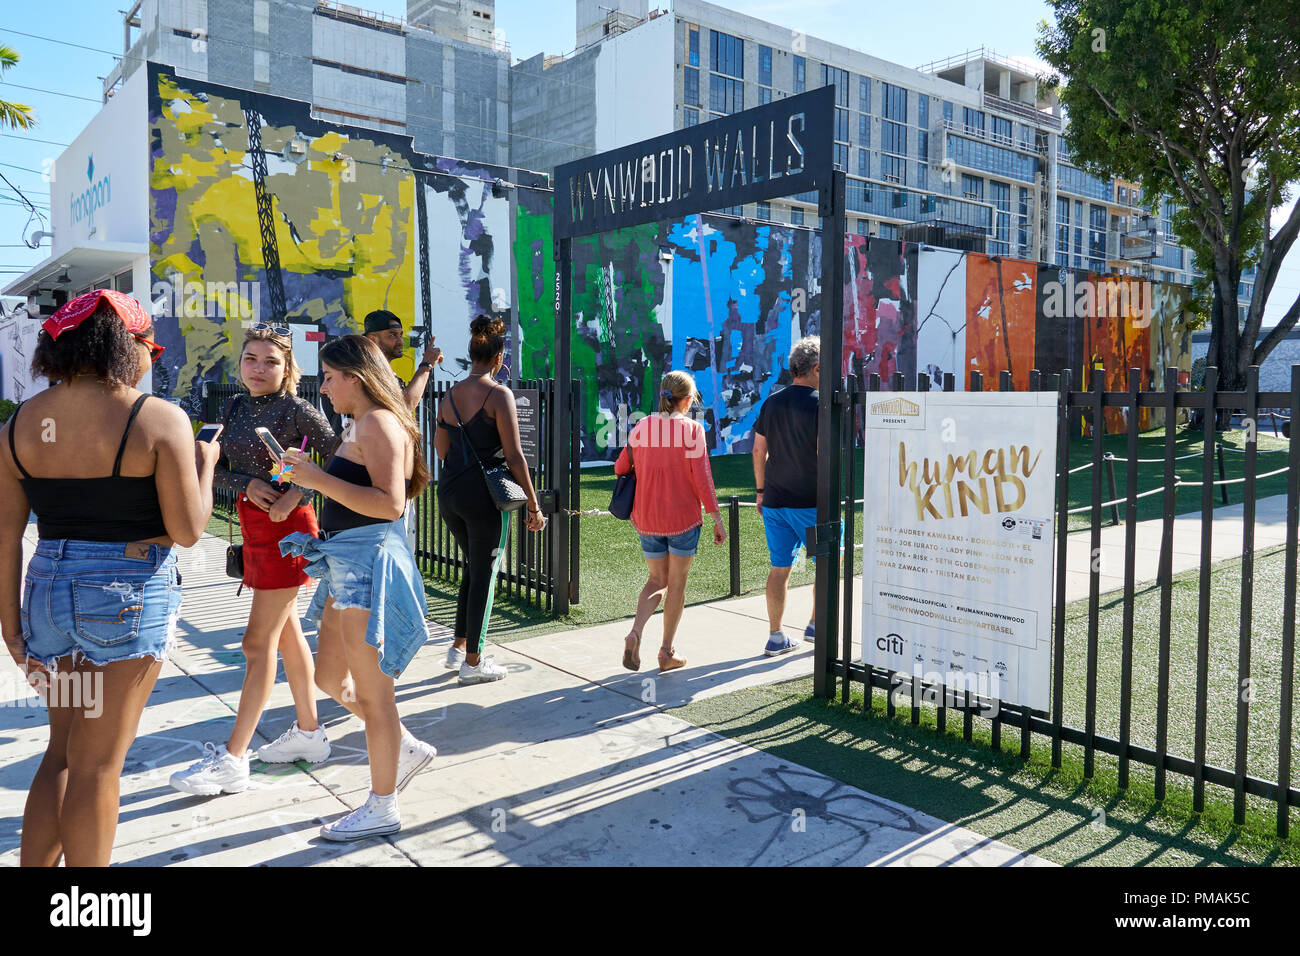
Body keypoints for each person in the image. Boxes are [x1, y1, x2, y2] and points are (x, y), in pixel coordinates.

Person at [0, 289, 218, 866]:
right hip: (123, 594)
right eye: (150, 344)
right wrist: (206, 467)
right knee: (99, 764)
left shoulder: (23, 422)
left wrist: (11, 627)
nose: (153, 356)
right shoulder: (157, 418)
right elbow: (189, 529)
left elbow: (4, 538)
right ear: (129, 346)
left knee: (61, 754)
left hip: (48, 593)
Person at [169, 325, 339, 797]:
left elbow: (342, 462)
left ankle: (234, 758)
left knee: (255, 643)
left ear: (288, 369)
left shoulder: (299, 408)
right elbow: (214, 465)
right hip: (254, 524)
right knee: (286, 636)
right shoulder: (235, 407)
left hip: (291, 530)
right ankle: (310, 734)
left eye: (269, 361)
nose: (258, 368)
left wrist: (299, 490)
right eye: (250, 359)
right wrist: (245, 484)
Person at [276, 334, 434, 840]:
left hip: (368, 562)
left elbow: (391, 504)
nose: (322, 387)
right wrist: (309, 475)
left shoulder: (382, 423)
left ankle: (382, 804)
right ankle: (403, 747)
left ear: (356, 377)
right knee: (328, 679)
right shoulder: (362, 423)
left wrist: (317, 479)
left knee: (375, 695)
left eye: (328, 376)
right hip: (344, 562)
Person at [432, 315, 546, 684]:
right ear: (499, 357)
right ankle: (473, 662)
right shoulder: (499, 394)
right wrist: (533, 503)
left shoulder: (449, 395)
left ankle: (458, 646)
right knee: (485, 573)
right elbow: (514, 456)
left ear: (471, 355)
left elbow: (440, 447)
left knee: (473, 566)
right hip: (485, 498)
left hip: (449, 492)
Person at [614, 370, 725, 672]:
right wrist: (716, 517)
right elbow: (702, 479)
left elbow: (620, 466)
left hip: (647, 517)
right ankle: (666, 653)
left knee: (655, 580)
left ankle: (635, 633)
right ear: (688, 401)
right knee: (676, 585)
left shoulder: (641, 427)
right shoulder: (692, 430)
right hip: (683, 519)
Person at [752, 336, 820, 656]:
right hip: (811, 502)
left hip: (775, 500)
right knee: (828, 564)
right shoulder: (820, 402)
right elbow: (823, 452)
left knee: (779, 568)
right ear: (816, 368)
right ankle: (816, 626)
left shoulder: (772, 401)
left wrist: (761, 491)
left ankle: (775, 636)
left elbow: (758, 449)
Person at [363, 309, 442, 412]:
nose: (400, 341)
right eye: (392, 335)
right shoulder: (367, 372)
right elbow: (404, 407)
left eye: (400, 335)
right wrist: (426, 366)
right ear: (372, 339)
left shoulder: (380, 371)